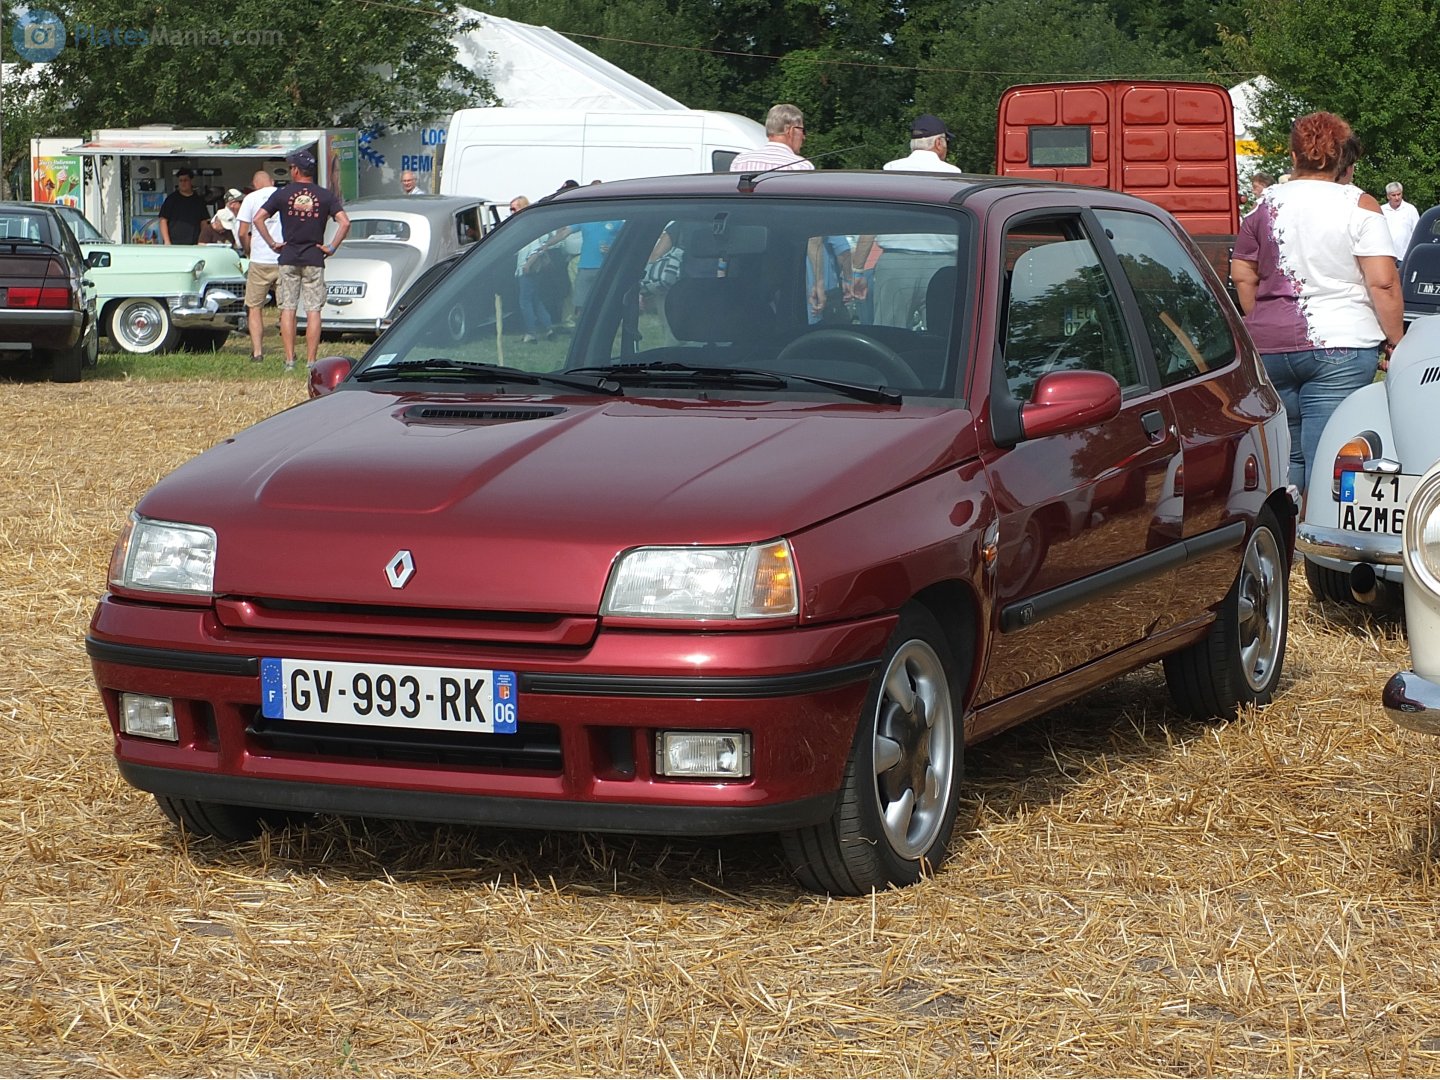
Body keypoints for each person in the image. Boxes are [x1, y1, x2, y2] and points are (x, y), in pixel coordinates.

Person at [1230, 111, 1404, 494]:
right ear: (1343, 158)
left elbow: (1243, 273)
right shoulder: (1359, 205)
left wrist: (1258, 317)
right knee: (1327, 450)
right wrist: (1396, 340)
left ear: (1293, 157)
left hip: (1270, 345)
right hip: (1341, 343)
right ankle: (1319, 541)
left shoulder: (1263, 206)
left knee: (1287, 451)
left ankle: (1286, 535)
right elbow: (1383, 282)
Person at [852, 114, 962, 328]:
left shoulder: (890, 171)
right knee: (945, 339)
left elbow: (872, 225)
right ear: (938, 143)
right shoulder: (953, 175)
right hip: (943, 268)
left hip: (895, 265)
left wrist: (858, 270)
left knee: (889, 335)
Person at [253, 150, 351, 371]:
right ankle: (311, 361)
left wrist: (272, 243)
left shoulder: (283, 194)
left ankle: (289, 360)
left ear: (296, 170)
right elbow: (344, 222)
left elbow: (259, 218)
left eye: (291, 168)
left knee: (288, 308)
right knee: (313, 310)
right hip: (315, 257)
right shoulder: (325, 195)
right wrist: (331, 247)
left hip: (289, 257)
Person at [237, 171, 283, 364]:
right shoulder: (283, 194)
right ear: (272, 182)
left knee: (255, 307)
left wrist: (247, 250)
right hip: (283, 257)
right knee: (286, 308)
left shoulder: (251, 198)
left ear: (255, 185)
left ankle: (257, 352)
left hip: (260, 258)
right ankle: (289, 353)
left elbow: (242, 232)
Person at [728, 104, 812, 172]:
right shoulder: (801, 166)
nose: (804, 137)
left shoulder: (741, 161)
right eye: (802, 130)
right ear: (790, 131)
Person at [158, 168, 208, 245]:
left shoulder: (198, 200)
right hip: (174, 244)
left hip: (194, 243)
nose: (183, 183)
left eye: (185, 180)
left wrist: (202, 240)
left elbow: (203, 222)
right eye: (180, 180)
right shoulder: (171, 199)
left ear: (191, 181)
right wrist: (167, 241)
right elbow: (163, 220)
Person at [1382, 181, 1420, 263]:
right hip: (1387, 256)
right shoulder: (1382, 210)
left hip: (1405, 257)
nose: (1397, 198)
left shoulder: (1410, 209)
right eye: (1393, 195)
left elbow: (1417, 232)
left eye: (1399, 194)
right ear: (1388, 196)